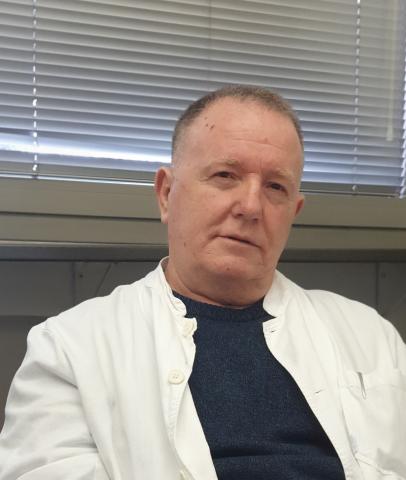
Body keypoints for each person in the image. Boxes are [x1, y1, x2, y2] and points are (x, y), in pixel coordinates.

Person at [0, 85, 405, 480]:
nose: (250, 206)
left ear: (293, 212)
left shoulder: (370, 336)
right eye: (225, 175)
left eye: (275, 187)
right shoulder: (70, 348)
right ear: (166, 194)